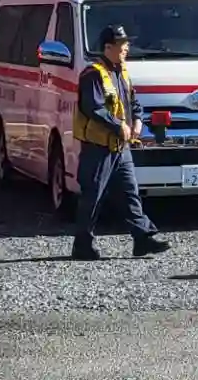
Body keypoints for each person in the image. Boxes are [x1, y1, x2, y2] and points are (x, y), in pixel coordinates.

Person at [70, 24, 169, 261]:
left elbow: (133, 102)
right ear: (108, 47)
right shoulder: (93, 74)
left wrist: (138, 120)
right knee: (93, 196)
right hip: (98, 148)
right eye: (122, 44)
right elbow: (93, 107)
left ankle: (143, 238)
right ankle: (82, 244)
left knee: (129, 193)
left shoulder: (122, 72)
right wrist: (118, 125)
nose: (126, 48)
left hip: (120, 148)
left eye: (126, 44)